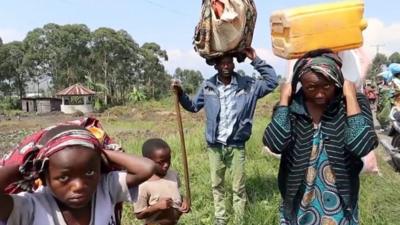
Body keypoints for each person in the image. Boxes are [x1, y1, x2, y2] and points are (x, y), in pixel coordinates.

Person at [263, 49, 378, 224]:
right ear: (299, 82)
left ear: (337, 81)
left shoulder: (354, 103)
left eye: (327, 86)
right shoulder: (291, 107)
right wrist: (284, 100)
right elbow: (275, 143)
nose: (319, 94)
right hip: (299, 200)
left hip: (340, 202)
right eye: (311, 88)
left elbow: (361, 146)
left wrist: (351, 97)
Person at [172, 47, 278, 225]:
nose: (226, 66)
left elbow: (272, 81)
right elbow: (193, 106)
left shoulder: (248, 85)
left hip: (236, 145)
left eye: (229, 62)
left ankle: (239, 218)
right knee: (217, 185)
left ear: (234, 64)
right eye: (222, 63)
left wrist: (255, 59)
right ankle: (220, 218)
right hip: (215, 146)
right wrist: (181, 93)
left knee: (238, 186)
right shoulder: (208, 86)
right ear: (216, 66)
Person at [0, 124, 156, 225]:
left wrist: (99, 151)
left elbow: (147, 168)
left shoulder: (105, 189)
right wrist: (26, 168)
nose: (79, 186)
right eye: (64, 177)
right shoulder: (29, 207)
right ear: (44, 177)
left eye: (89, 172)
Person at [134, 138, 189, 225]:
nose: (166, 165)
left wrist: (185, 201)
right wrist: (157, 207)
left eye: (168, 159)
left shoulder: (173, 175)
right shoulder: (143, 185)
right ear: (147, 161)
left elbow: (177, 193)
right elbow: (139, 214)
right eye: (161, 162)